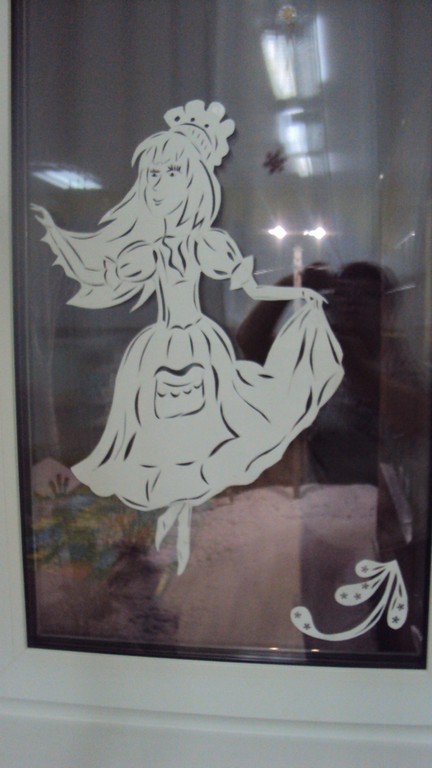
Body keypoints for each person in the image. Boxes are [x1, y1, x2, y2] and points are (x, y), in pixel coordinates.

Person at [32, 100, 343, 574]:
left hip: (200, 348)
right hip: (158, 351)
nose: (159, 184)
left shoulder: (209, 244)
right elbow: (102, 272)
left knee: (202, 439)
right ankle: (170, 529)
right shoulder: (149, 248)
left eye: (171, 173)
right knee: (160, 444)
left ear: (194, 181)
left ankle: (185, 530)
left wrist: (298, 294)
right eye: (153, 175)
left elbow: (250, 288)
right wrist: (57, 237)